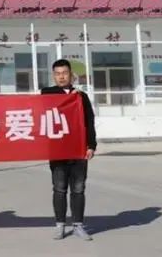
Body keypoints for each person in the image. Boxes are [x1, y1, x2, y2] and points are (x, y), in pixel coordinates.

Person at [42, 59, 97, 241]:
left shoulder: (81, 96)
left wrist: (91, 145)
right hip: (57, 150)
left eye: (64, 73)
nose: (61, 77)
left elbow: (89, 121)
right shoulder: (47, 93)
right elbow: (44, 109)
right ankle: (60, 226)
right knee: (59, 189)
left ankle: (78, 226)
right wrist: (69, 97)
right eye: (57, 74)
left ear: (71, 74)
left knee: (78, 189)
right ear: (53, 76)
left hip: (78, 149)